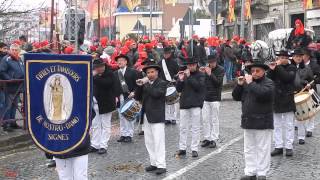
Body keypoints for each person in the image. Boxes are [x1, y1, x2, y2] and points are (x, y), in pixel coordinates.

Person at [232, 60, 274, 180]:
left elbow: (263, 94)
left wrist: (250, 84)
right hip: (248, 120)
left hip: (263, 121)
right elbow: (235, 97)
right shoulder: (247, 83)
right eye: (252, 71)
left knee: (262, 148)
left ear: (263, 72)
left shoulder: (269, 83)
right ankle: (250, 171)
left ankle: (262, 173)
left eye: (257, 71)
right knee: (249, 148)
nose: (254, 73)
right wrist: (239, 85)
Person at [135, 59, 167, 175]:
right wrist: (139, 86)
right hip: (146, 115)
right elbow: (138, 97)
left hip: (157, 116)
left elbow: (156, 94)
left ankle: (161, 165)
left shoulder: (162, 83)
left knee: (158, 141)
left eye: (152, 72)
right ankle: (153, 162)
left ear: (157, 72)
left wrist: (146, 84)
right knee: (149, 141)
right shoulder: (145, 84)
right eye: (148, 73)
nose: (150, 74)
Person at [267, 50, 297, 157]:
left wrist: (277, 67)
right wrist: (271, 69)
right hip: (276, 98)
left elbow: (286, 78)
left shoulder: (292, 67)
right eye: (280, 57)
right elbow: (268, 79)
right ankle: (278, 146)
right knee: (277, 124)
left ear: (288, 58)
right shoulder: (275, 67)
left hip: (287, 98)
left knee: (289, 124)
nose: (282, 59)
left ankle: (289, 147)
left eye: (284, 57)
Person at [176, 57, 206, 158]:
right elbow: (178, 89)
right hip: (184, 103)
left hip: (196, 104)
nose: (191, 67)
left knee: (195, 127)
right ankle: (182, 148)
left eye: (192, 65)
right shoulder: (183, 75)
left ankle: (194, 148)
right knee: (183, 127)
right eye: (189, 65)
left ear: (196, 65)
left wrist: (189, 77)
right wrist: (180, 80)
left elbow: (199, 87)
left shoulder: (201, 75)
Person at [54, 109, 95, 180]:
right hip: (63, 144)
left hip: (76, 144)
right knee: (69, 176)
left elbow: (90, 112)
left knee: (78, 176)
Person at [90, 59, 118, 154]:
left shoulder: (110, 74)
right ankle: (95, 144)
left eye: (102, 66)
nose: (100, 68)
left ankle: (103, 145)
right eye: (98, 67)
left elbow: (106, 83)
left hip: (106, 104)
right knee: (95, 125)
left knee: (105, 125)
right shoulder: (93, 76)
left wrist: (94, 76)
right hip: (94, 103)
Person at [200, 54, 225, 148]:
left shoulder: (221, 69)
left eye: (213, 62)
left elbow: (218, 83)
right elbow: (202, 83)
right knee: (205, 119)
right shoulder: (206, 69)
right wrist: (201, 73)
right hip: (205, 98)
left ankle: (213, 139)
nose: (211, 64)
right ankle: (207, 138)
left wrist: (210, 74)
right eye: (210, 62)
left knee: (214, 119)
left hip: (215, 98)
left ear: (216, 61)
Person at [114, 54, 139, 143]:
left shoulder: (133, 72)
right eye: (118, 60)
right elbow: (114, 86)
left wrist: (134, 92)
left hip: (129, 96)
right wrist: (115, 96)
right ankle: (123, 134)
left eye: (121, 60)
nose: (119, 62)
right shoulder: (115, 73)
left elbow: (138, 85)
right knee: (121, 116)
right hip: (119, 97)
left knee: (129, 116)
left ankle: (129, 134)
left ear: (126, 62)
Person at [0, 43, 24, 132]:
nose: (14, 51)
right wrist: (10, 79)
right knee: (8, 105)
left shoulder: (19, 59)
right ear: (10, 50)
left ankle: (13, 122)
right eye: (13, 50)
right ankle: (6, 124)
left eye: (16, 50)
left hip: (18, 86)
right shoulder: (6, 59)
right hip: (9, 86)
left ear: (19, 51)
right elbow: (2, 71)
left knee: (14, 105)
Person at [292, 49, 314, 145]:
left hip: (302, 94)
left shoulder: (307, 68)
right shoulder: (289, 67)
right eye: (297, 56)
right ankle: (290, 139)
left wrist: (309, 85)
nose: (298, 58)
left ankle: (301, 137)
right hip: (291, 95)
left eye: (300, 56)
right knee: (290, 120)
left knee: (301, 118)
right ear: (293, 57)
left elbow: (312, 80)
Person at [301, 48, 320, 138]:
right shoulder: (299, 65)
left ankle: (310, 129)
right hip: (301, 89)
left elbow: (318, 77)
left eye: (303, 55)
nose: (301, 57)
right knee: (301, 109)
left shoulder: (315, 65)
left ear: (308, 56)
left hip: (311, 89)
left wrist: (313, 81)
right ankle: (301, 127)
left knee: (311, 110)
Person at [158, 46, 179, 125]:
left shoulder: (174, 62)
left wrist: (175, 79)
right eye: (165, 53)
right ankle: (167, 118)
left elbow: (177, 72)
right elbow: (158, 74)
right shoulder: (160, 63)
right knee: (165, 102)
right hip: (163, 84)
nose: (166, 55)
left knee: (173, 101)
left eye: (168, 53)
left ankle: (173, 118)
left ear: (170, 54)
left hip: (172, 83)